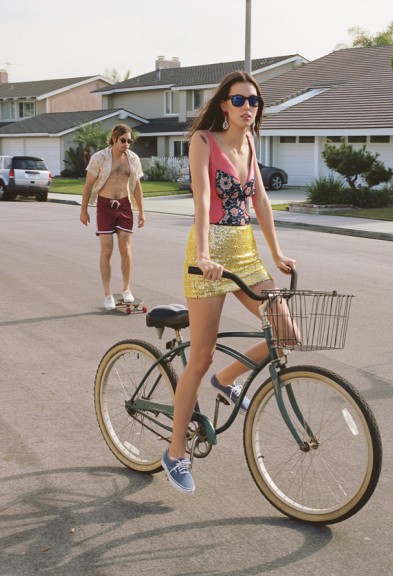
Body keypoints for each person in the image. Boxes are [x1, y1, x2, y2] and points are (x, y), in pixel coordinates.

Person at [161, 71, 296, 494]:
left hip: (244, 250)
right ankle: (175, 453)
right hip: (209, 253)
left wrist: (275, 252)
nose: (247, 108)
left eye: (253, 101)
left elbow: (261, 200)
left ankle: (227, 378)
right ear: (224, 104)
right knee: (199, 357)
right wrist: (203, 254)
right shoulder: (203, 140)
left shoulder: (252, 143)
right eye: (238, 101)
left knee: (287, 332)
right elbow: (202, 197)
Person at [79, 124, 146, 310]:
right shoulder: (99, 158)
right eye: (123, 140)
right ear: (114, 139)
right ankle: (107, 294)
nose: (127, 144)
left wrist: (141, 211)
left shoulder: (133, 159)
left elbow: (137, 186)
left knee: (125, 248)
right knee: (107, 250)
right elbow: (88, 185)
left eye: (129, 141)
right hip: (105, 206)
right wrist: (83, 210)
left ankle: (126, 289)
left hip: (124, 205)